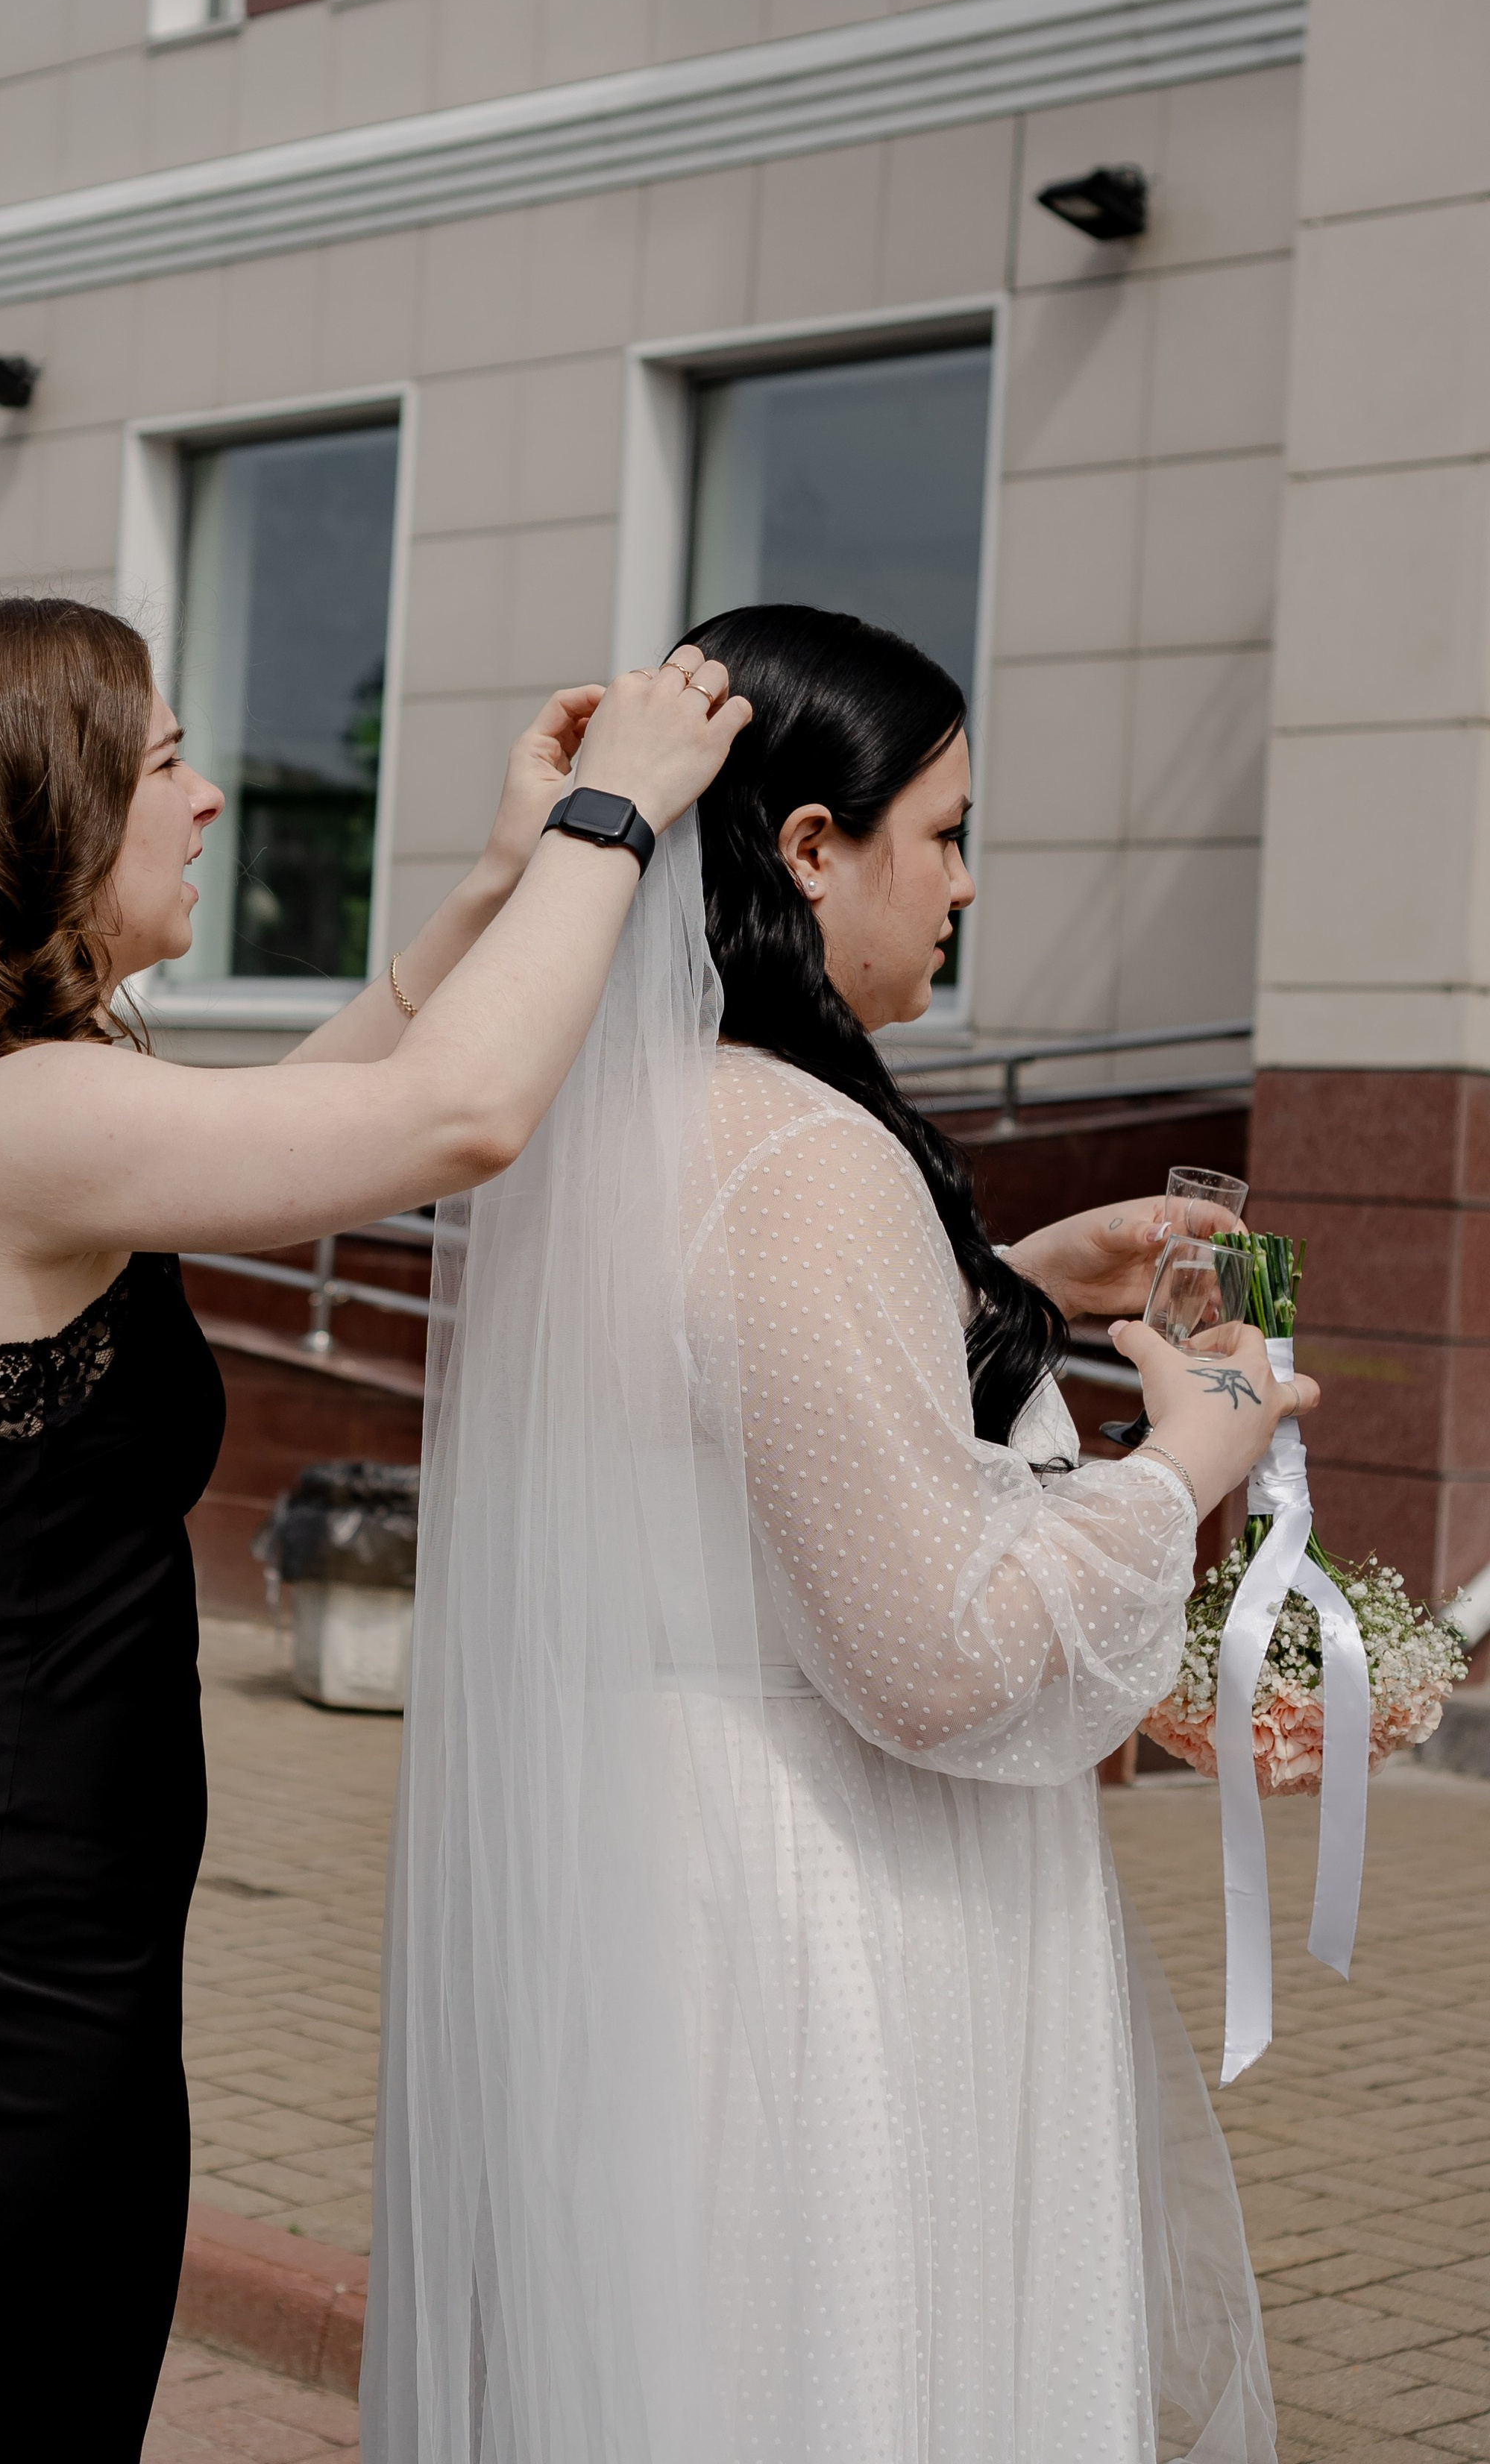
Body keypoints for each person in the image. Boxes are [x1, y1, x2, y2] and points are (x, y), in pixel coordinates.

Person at [0, 593, 749, 2464]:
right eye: (167, 763)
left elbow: (296, 1116)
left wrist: (493, 884)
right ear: (45, 812)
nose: (205, 806)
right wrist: (618, 814)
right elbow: (456, 1118)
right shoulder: (26, 1122)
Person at [367, 602, 1311, 2464]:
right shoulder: (804, 1152)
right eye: (942, 833)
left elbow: (734, 1417)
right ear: (811, 849)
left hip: (646, 1885)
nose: (962, 885)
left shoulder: (604, 1118)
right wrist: (1180, 1461)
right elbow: (930, 1653)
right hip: (814, 1920)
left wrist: (1012, 1286)